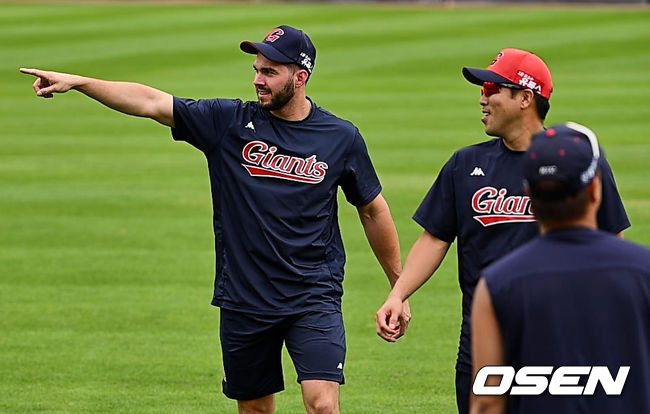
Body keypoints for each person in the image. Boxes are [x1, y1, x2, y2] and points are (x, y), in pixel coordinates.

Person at [21, 25, 410, 414]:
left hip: (312, 295)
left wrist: (398, 288)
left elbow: (373, 209)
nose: (258, 80)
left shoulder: (340, 137)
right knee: (255, 408)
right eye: (257, 70)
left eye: (270, 72)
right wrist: (80, 82)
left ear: (300, 77)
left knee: (322, 403)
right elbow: (151, 102)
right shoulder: (228, 122)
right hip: (244, 298)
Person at [375, 48, 630, 414]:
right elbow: (435, 238)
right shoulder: (466, 163)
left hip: (559, 337)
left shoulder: (576, 161)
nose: (482, 96)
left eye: (493, 87)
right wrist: (398, 295)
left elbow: (609, 243)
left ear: (525, 97)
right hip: (482, 339)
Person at [470, 122, 650, 414]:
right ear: (594, 190)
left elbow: (488, 401)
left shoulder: (497, 284)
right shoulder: (643, 271)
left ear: (528, 193)